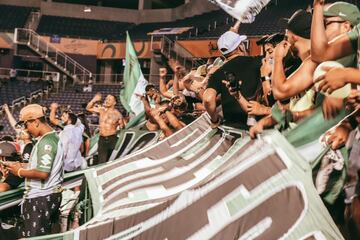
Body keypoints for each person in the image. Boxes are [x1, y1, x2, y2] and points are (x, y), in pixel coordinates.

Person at [3, 104, 63, 238]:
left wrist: (19, 171)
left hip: (40, 199)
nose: (26, 129)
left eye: (26, 125)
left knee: (33, 238)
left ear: (36, 122)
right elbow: (40, 166)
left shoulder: (46, 142)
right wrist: (20, 165)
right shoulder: (50, 138)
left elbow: (43, 173)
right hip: (46, 197)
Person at [203, 30, 262, 129]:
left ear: (223, 54)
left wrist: (215, 120)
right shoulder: (258, 61)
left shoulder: (218, 73)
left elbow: (208, 99)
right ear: (240, 47)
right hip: (258, 124)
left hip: (232, 127)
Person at [86, 93, 124, 164]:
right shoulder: (102, 110)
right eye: (106, 99)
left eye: (109, 99)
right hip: (102, 139)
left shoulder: (118, 114)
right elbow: (88, 108)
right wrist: (94, 100)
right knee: (101, 162)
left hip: (113, 139)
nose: (107, 100)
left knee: (112, 161)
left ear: (114, 103)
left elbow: (123, 128)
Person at [50, 103, 87, 172]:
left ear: (69, 120)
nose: (61, 118)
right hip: (78, 164)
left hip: (66, 167)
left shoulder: (64, 133)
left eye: (64, 116)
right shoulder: (78, 130)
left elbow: (62, 152)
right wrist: (72, 115)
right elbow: (81, 149)